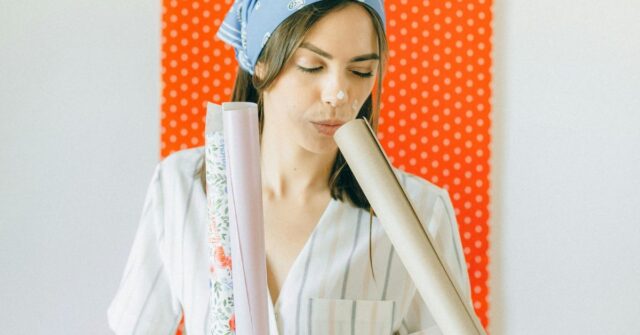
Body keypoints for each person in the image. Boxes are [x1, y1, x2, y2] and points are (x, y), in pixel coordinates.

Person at [108, 0, 472, 334]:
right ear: (261, 62)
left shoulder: (424, 212)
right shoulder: (180, 187)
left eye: (361, 71)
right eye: (312, 66)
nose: (338, 94)